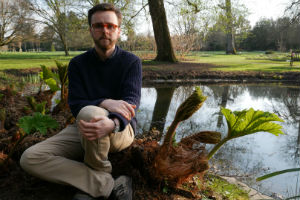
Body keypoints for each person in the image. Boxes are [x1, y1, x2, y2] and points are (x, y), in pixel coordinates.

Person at [20, 3, 142, 200]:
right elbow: (76, 103)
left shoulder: (131, 62)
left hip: (120, 129)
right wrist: (106, 102)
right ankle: (106, 183)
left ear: (118, 31)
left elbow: (131, 103)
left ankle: (92, 188)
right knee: (30, 158)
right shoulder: (77, 64)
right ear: (91, 30)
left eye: (110, 26)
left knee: (90, 113)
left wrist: (112, 123)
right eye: (98, 26)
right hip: (84, 128)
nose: (105, 30)